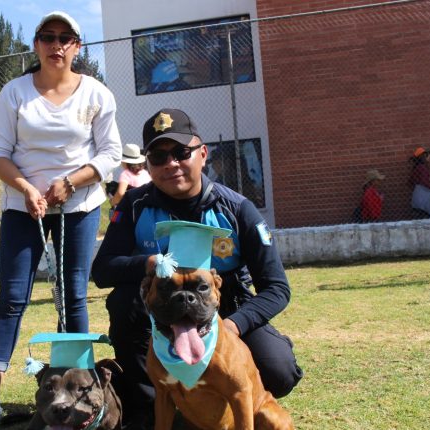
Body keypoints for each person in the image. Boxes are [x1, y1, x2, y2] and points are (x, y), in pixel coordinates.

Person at [91, 108, 302, 429]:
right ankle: (147, 404)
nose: (170, 163)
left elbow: (277, 288)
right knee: (125, 303)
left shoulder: (237, 209)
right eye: (158, 156)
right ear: (147, 164)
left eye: (180, 152)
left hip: (226, 304)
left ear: (202, 154)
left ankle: (226, 393)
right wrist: (150, 263)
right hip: (162, 304)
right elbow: (103, 270)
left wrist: (234, 325)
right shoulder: (133, 206)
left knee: (278, 370)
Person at [0, 10, 121, 430]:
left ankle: (81, 393)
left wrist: (70, 182)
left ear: (77, 48)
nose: (56, 45)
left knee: (73, 298)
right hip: (22, 207)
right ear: (36, 45)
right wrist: (27, 189)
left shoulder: (97, 94)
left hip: (78, 205)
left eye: (65, 38)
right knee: (12, 299)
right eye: (47, 37)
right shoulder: (14, 93)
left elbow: (110, 155)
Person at [409, 147, 430, 219]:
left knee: (424, 216)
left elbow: (410, 182)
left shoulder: (417, 168)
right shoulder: (422, 168)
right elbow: (425, 182)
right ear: (423, 156)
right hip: (424, 194)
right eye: (428, 155)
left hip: (418, 193)